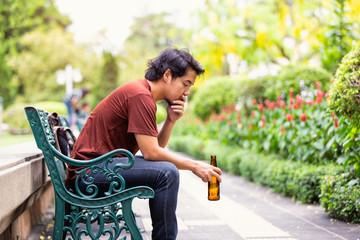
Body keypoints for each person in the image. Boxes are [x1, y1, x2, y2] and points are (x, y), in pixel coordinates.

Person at [67, 48, 222, 240]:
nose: (187, 92)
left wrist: (170, 120)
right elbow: (151, 153)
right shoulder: (140, 95)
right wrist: (194, 165)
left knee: (165, 169)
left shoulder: (143, 93)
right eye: (185, 84)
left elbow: (156, 148)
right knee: (167, 172)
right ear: (167, 75)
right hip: (89, 173)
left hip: (98, 168)